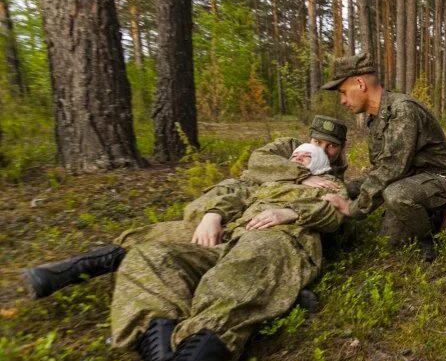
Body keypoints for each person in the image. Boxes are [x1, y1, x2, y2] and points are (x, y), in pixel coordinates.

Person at [63, 147, 349, 361]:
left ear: (321, 165)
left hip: (278, 240)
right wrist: (213, 215)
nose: (298, 158)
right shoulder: (267, 181)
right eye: (295, 154)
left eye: (306, 156)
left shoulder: (328, 184)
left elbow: (334, 214)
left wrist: (289, 212)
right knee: (148, 257)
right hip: (228, 240)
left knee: (241, 267)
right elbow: (231, 195)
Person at [21, 116, 349, 298]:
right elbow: (254, 167)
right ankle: (70, 270)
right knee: (164, 233)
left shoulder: (334, 179)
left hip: (263, 230)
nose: (322, 150)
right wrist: (213, 214)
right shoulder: (290, 149)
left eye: (330, 147)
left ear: (339, 150)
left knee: (242, 261)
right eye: (317, 143)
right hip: (238, 206)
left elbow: (338, 213)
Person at [323, 52, 446, 261]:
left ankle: (429, 236)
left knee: (396, 195)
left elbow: (391, 169)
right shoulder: (377, 117)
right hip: (412, 178)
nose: (343, 101)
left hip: (442, 179)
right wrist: (343, 189)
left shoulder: (402, 110)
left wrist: (354, 208)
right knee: (388, 242)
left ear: (360, 83)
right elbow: (381, 169)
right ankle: (420, 215)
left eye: (343, 92)